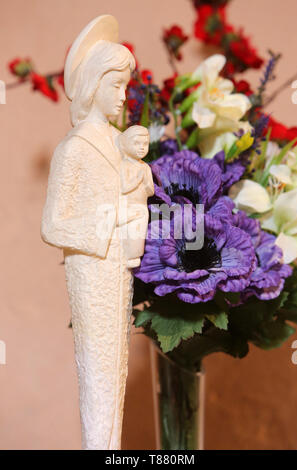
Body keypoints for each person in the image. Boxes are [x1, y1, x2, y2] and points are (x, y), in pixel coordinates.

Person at [41, 15, 139, 450]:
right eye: (115, 85)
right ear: (93, 84)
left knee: (116, 370)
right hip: (91, 273)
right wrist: (111, 219)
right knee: (99, 375)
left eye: (125, 87)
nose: (123, 97)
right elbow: (53, 225)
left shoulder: (117, 145)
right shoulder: (74, 149)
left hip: (119, 269)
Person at [118, 125, 154, 268]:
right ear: (126, 144)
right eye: (137, 143)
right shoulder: (124, 166)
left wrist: (145, 184)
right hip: (128, 207)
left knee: (139, 232)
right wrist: (137, 180)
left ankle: (135, 255)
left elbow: (151, 191)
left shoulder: (145, 167)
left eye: (145, 144)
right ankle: (128, 254)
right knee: (130, 231)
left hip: (142, 207)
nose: (141, 148)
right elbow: (124, 188)